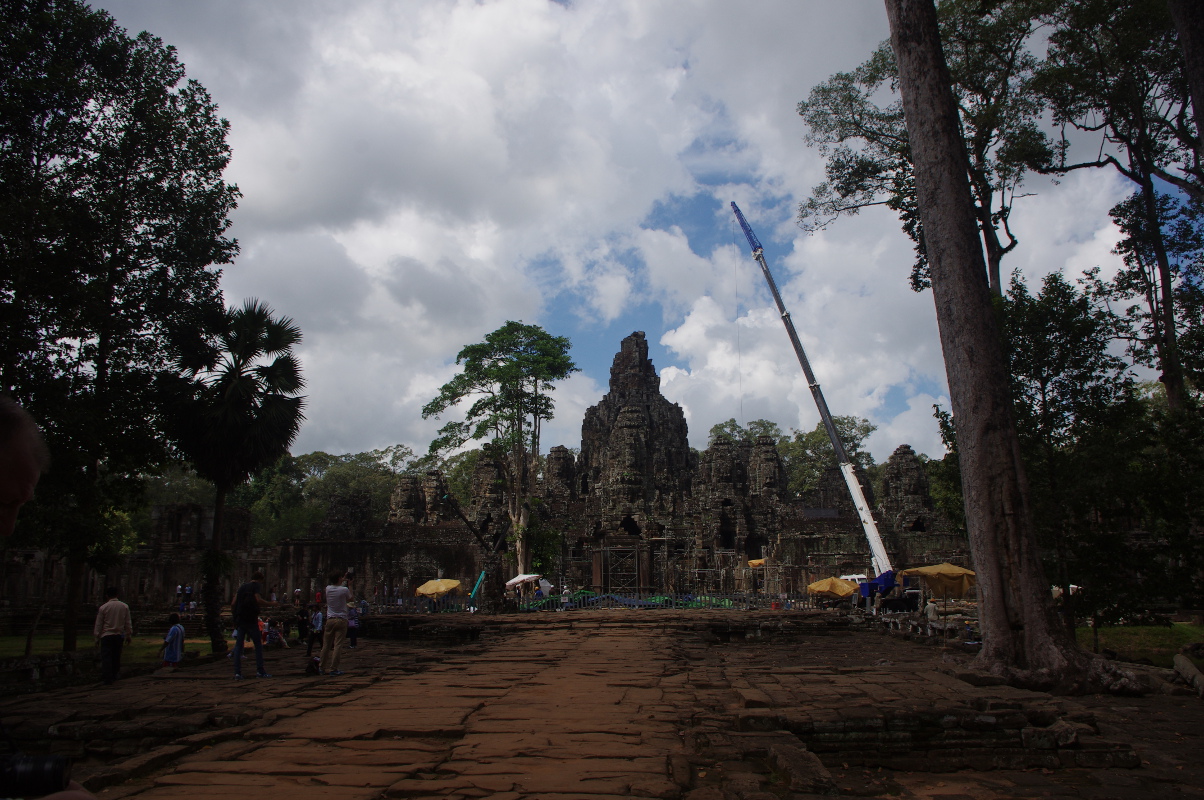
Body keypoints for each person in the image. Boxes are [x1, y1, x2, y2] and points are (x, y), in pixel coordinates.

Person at [231, 570, 276, 679]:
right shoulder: (256, 586)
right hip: (251, 619)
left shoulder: (242, 587)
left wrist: (235, 617)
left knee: (238, 646)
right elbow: (258, 599)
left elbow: (233, 603)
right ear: (261, 580)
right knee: (258, 645)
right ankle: (260, 671)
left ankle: (237, 673)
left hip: (241, 619)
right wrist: (271, 603)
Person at [93, 586, 132, 685]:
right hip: (119, 635)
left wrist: (97, 637)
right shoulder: (124, 606)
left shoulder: (103, 607)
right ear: (117, 595)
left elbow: (99, 624)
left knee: (106, 657)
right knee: (116, 656)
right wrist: (128, 635)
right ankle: (114, 675)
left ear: (107, 596)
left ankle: (107, 677)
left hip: (106, 635)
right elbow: (128, 622)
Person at [320, 570, 353, 676]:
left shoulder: (328, 588)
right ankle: (333, 669)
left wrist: (343, 578)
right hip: (341, 619)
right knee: (337, 645)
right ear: (339, 579)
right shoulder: (344, 590)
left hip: (330, 619)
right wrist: (350, 585)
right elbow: (350, 599)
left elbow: (337, 586)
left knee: (326, 645)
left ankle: (321, 667)